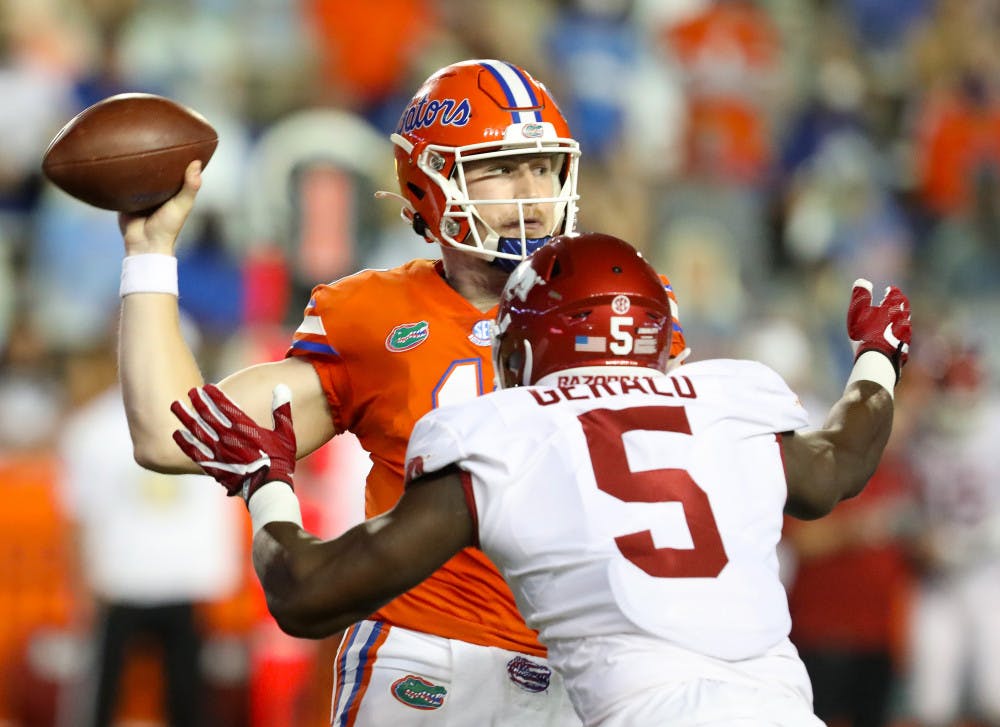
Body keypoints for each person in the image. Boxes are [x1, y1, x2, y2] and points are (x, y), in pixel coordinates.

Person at [116, 60, 688, 724]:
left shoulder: (624, 301)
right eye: (502, 168)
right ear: (431, 182)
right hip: (428, 661)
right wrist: (150, 252)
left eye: (543, 167)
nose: (532, 192)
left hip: (589, 669)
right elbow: (168, 431)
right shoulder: (377, 314)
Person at [170, 232, 912, 726]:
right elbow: (839, 464)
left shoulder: (509, 429)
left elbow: (308, 593)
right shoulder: (733, 395)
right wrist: (879, 354)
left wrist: (265, 481)